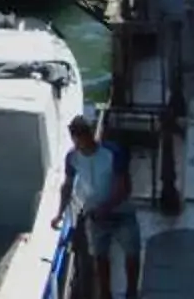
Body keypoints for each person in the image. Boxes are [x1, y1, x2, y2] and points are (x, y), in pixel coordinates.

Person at [55, 114, 143, 298]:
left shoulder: (113, 152)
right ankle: (105, 294)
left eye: (83, 134)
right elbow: (67, 186)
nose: (80, 139)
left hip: (121, 212)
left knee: (132, 253)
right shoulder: (72, 158)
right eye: (76, 135)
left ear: (90, 134)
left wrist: (107, 207)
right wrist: (59, 213)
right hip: (95, 215)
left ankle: (132, 293)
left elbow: (124, 186)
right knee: (100, 258)